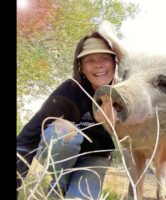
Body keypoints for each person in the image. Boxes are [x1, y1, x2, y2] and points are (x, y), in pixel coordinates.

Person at [17, 30, 117, 199]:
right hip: (61, 157)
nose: (98, 65)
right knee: (63, 130)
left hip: (95, 158)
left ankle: (61, 190)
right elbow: (28, 138)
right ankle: (60, 185)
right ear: (81, 67)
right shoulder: (69, 91)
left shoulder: (125, 93)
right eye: (90, 60)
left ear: (115, 62)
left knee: (80, 196)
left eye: (104, 58)